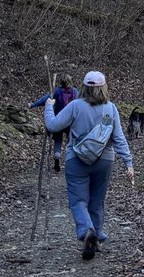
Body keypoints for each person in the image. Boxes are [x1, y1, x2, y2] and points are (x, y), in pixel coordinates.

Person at [43, 70, 134, 260]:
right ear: (103, 88)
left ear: (84, 87)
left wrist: (49, 106)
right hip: (105, 160)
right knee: (97, 200)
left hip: (77, 159)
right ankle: (97, 236)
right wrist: (128, 162)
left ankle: (87, 231)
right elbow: (118, 138)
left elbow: (53, 126)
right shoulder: (111, 108)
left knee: (78, 201)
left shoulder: (75, 106)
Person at [29, 75, 78, 171]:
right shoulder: (75, 92)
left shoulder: (56, 91)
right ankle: (70, 160)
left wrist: (33, 104)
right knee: (70, 140)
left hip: (58, 119)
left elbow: (45, 99)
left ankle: (57, 157)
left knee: (58, 140)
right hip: (70, 121)